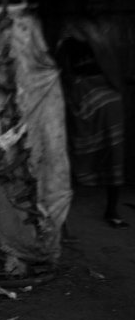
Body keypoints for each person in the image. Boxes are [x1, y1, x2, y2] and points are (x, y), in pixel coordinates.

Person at [58, 36, 128, 229]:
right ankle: (106, 210)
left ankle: (111, 210)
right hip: (95, 107)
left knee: (112, 158)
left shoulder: (95, 50)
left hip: (107, 110)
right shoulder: (70, 51)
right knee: (102, 157)